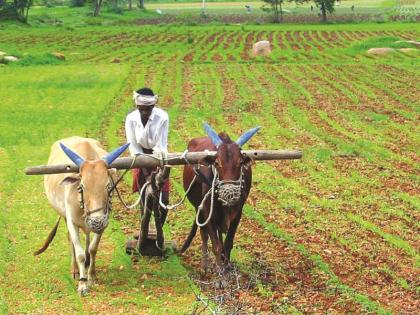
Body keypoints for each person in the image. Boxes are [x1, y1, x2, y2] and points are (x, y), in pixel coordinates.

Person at [125, 87, 170, 224]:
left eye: (148, 109)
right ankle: (144, 227)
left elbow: (161, 145)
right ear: (137, 105)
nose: (145, 112)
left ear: (154, 106)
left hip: (159, 156)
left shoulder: (162, 117)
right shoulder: (131, 119)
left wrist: (156, 172)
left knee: (164, 200)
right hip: (140, 156)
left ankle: (159, 229)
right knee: (144, 198)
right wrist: (144, 170)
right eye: (142, 109)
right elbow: (133, 145)